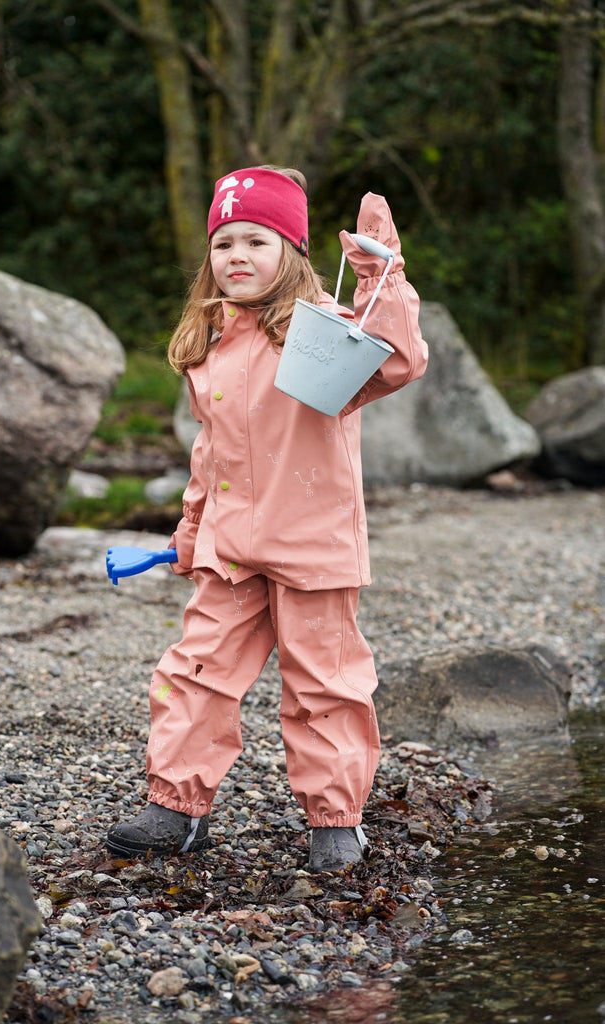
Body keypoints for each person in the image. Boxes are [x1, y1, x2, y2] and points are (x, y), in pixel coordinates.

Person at [107, 165, 428, 871]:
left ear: (292, 251)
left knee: (323, 686)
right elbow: (209, 454)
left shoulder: (324, 335)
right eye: (224, 244)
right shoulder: (210, 346)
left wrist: (382, 275)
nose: (238, 257)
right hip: (228, 549)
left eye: (257, 240)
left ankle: (334, 820)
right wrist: (190, 532)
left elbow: (402, 361)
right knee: (193, 672)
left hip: (312, 550)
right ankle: (174, 808)